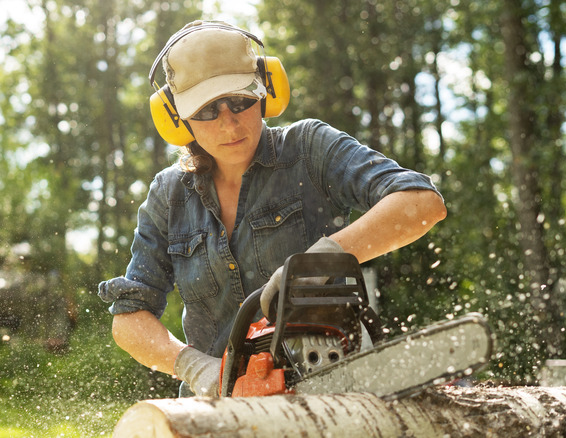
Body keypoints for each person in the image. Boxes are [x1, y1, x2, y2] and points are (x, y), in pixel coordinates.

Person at [98, 20, 447, 397]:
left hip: (333, 395)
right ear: (176, 117)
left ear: (266, 90)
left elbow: (421, 202)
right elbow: (130, 317)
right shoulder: (169, 195)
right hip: (219, 408)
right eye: (207, 110)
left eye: (240, 101)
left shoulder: (309, 149)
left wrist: (322, 260)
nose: (229, 122)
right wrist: (197, 369)